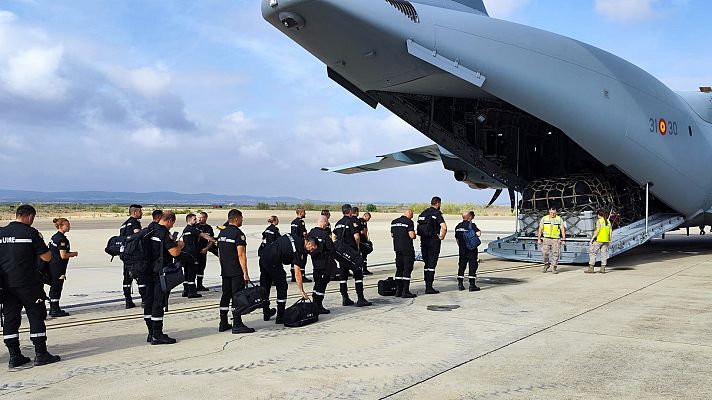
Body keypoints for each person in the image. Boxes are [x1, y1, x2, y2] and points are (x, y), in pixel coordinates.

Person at [0, 205, 61, 367]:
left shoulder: (1, 233)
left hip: (5, 284)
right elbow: (47, 257)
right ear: (30, 216)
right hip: (28, 283)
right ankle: (41, 354)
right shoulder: (30, 233)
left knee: (11, 318)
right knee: (36, 315)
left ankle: (14, 356)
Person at [143, 211, 184, 345]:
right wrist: (179, 245)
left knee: (149, 302)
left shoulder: (150, 229)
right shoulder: (163, 233)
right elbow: (174, 252)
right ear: (170, 221)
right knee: (158, 303)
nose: (172, 226)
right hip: (159, 273)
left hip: (147, 271)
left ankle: (151, 333)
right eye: (172, 223)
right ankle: (157, 335)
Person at [259, 234, 316, 323]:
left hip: (264, 256)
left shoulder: (294, 237)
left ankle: (266, 312)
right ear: (308, 244)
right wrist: (302, 291)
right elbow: (297, 273)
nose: (311, 251)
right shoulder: (298, 250)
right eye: (312, 248)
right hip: (273, 260)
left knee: (265, 286)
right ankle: (280, 316)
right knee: (282, 286)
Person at [216, 209, 254, 334]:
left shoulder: (222, 233)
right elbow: (241, 255)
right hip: (236, 271)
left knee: (225, 296)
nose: (242, 220)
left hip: (225, 270)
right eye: (241, 218)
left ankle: (223, 322)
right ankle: (237, 323)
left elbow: (220, 253)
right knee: (237, 297)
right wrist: (245, 273)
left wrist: (223, 266)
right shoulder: (239, 234)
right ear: (237, 219)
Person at [333, 204, 372, 307]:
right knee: (358, 273)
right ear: (350, 211)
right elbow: (357, 237)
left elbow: (334, 236)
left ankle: (345, 298)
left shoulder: (338, 223)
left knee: (343, 275)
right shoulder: (351, 221)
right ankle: (360, 298)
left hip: (342, 252)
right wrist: (358, 248)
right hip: (351, 251)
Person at [47, 218, 78, 317]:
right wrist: (73, 254)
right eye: (67, 225)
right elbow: (63, 255)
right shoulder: (61, 240)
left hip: (52, 265)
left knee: (54, 287)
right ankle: (55, 309)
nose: (69, 227)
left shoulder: (54, 237)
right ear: (61, 226)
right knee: (57, 287)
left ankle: (53, 308)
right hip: (58, 267)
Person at [417, 197, 447, 294]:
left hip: (424, 241)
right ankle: (429, 287)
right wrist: (442, 237)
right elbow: (444, 227)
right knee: (432, 264)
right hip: (433, 241)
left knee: (426, 265)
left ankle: (427, 285)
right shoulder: (436, 213)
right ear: (438, 203)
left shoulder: (424, 213)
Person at [181, 213, 216, 298]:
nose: (197, 220)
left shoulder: (185, 229)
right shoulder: (193, 229)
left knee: (187, 272)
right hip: (193, 254)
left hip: (186, 253)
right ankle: (192, 292)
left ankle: (186, 290)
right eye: (195, 219)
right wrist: (215, 240)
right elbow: (204, 235)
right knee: (192, 273)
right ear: (189, 220)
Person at [308, 215, 338, 313]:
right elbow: (331, 249)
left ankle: (315, 303)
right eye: (327, 223)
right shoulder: (324, 235)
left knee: (317, 283)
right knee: (322, 284)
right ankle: (319, 306)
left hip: (315, 263)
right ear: (324, 222)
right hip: (324, 264)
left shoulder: (311, 233)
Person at [119, 204, 143, 308]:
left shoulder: (124, 224)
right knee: (141, 277)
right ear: (134, 213)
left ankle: (128, 301)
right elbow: (138, 236)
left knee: (127, 279)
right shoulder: (135, 223)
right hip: (135, 255)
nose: (141, 213)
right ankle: (145, 300)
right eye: (140, 211)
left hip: (125, 255)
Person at [390, 209, 417, 298]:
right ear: (410, 214)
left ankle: (398, 290)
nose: (412, 216)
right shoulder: (409, 222)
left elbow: (392, 235)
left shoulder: (394, 222)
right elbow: (412, 235)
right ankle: (405, 291)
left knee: (399, 269)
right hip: (407, 249)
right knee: (407, 269)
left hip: (397, 248)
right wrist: (415, 235)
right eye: (412, 215)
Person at [454, 211, 481, 291]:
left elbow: (457, 239)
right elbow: (478, 233)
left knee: (462, 265)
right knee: (472, 265)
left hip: (462, 249)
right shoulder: (471, 225)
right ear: (469, 217)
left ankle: (460, 284)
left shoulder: (458, 226)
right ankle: (472, 285)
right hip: (471, 249)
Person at [537, 206, 566, 274]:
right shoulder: (544, 218)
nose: (552, 214)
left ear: (556, 212)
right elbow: (540, 229)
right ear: (549, 212)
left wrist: (564, 239)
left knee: (556, 254)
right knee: (544, 253)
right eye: (551, 213)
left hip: (555, 239)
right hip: (546, 239)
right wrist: (539, 239)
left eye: (554, 213)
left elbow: (562, 229)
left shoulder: (559, 219)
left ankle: (554, 267)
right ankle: (546, 264)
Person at [586, 210, 612, 274]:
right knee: (604, 254)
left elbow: (597, 231)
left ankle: (591, 268)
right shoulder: (608, 221)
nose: (597, 216)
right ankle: (603, 268)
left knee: (593, 253)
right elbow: (610, 231)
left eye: (597, 215)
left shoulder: (599, 221)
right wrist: (609, 240)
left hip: (599, 240)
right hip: (605, 240)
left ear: (599, 215)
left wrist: (592, 238)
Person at [195, 211, 215, 291]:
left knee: (201, 268)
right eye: (198, 217)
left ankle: (199, 285)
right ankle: (191, 287)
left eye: (201, 217)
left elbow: (211, 240)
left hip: (203, 250)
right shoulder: (195, 226)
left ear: (206, 218)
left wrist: (206, 248)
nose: (199, 219)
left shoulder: (208, 228)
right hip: (194, 251)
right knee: (193, 268)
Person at [290, 208, 311, 283]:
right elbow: (304, 233)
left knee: (294, 259)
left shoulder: (293, 222)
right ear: (301, 213)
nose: (305, 214)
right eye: (304, 212)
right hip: (300, 243)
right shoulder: (301, 222)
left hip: (293, 242)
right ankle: (302, 276)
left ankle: (293, 276)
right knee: (302, 259)